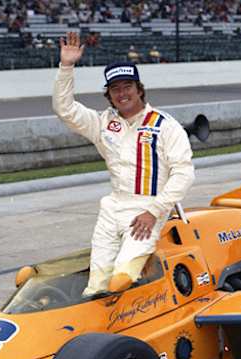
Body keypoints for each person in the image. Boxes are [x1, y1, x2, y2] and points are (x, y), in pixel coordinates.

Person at [53, 32, 195, 296]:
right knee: (96, 285)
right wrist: (67, 67)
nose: (122, 93)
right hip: (112, 207)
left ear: (139, 89)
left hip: (148, 208)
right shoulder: (103, 122)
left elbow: (184, 173)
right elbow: (65, 109)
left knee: (122, 277)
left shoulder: (165, 125)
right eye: (115, 89)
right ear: (108, 95)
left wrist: (154, 210)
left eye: (127, 86)